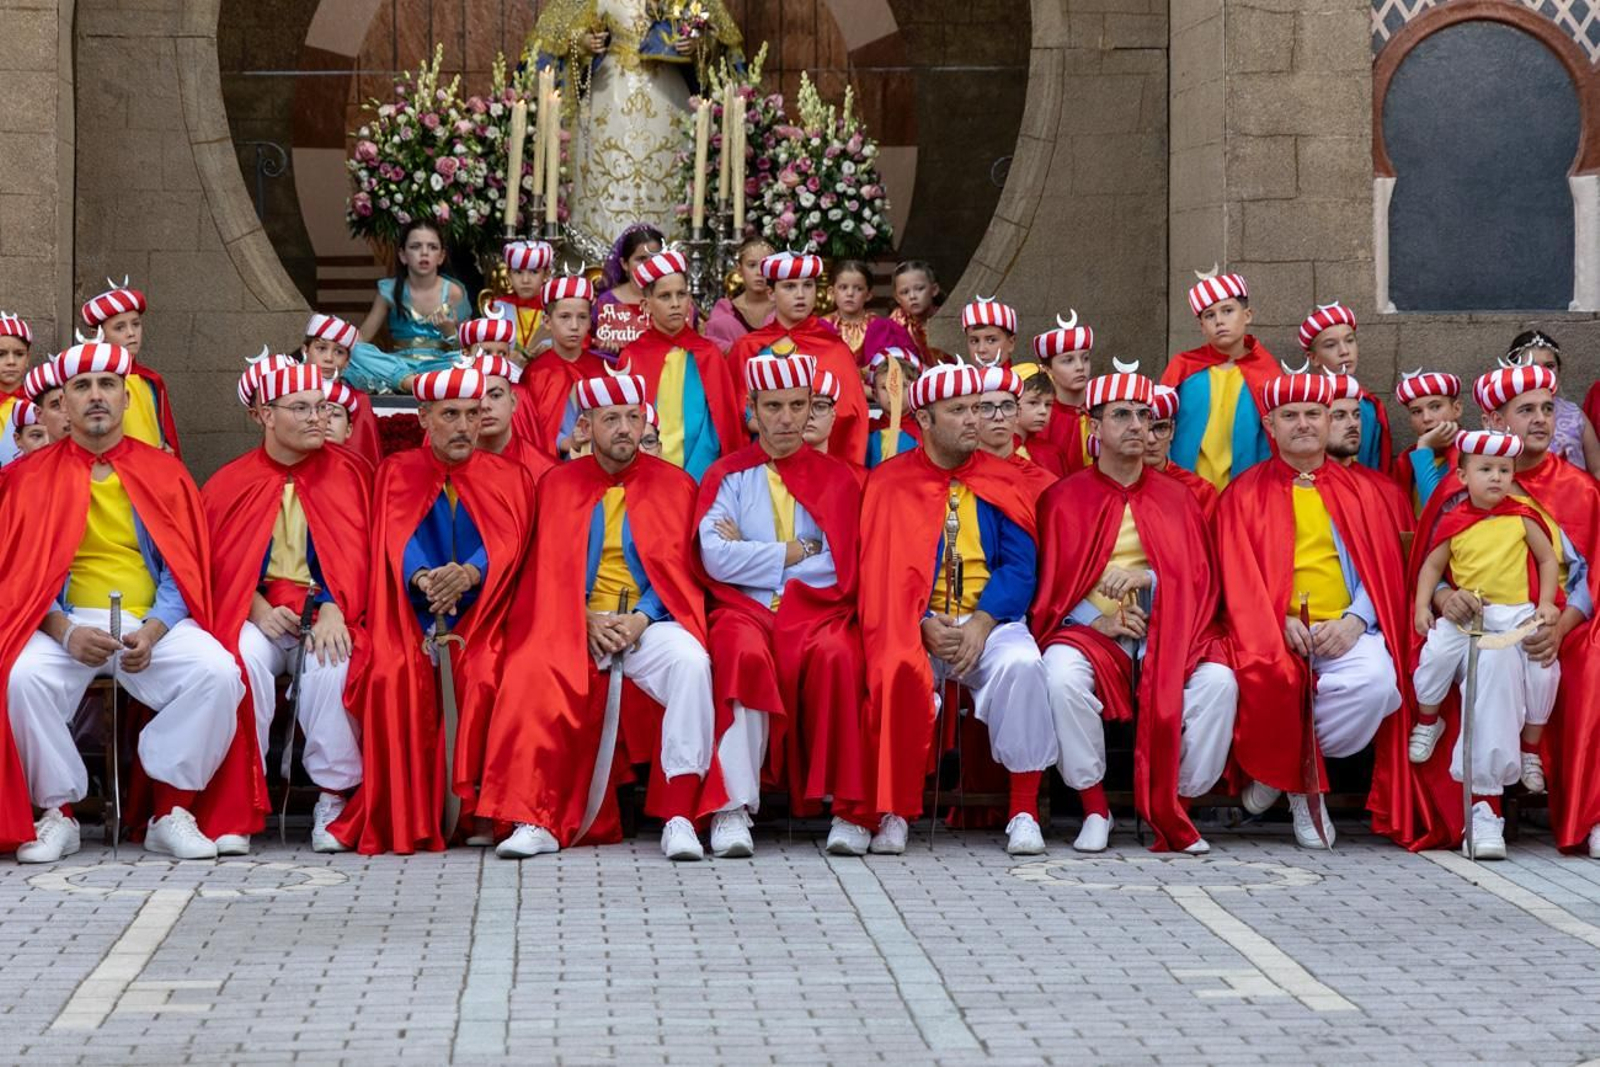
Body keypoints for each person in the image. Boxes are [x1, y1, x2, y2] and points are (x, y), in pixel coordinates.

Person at [0, 342, 247, 862]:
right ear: (61, 403)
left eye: (107, 384)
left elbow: (186, 572)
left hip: (149, 622)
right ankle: (59, 814)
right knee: (21, 678)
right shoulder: (26, 478)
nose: (96, 397)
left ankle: (169, 810)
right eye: (81, 386)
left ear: (127, 398)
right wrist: (65, 631)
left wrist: (155, 630)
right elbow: (16, 582)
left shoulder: (166, 472)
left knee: (220, 672)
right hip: (64, 626)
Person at [476, 373, 720, 862]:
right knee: (528, 671)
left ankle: (679, 816)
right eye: (612, 419)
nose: (625, 429)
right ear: (585, 426)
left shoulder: (675, 484)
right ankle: (535, 819)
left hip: (648, 624)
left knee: (692, 664)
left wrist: (643, 619)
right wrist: (582, 619)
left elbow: (679, 575)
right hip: (572, 622)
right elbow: (542, 571)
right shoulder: (556, 485)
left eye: (633, 417)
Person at [329, 366, 536, 854]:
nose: (466, 425)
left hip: (484, 614)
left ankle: (478, 810)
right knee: (390, 673)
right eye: (451, 415)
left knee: (485, 673)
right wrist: (424, 578)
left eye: (472, 413)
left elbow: (514, 542)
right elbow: (393, 540)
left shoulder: (511, 476)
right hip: (412, 614)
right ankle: (408, 815)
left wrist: (469, 574)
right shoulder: (396, 473)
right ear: (424, 417)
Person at [857, 364, 1059, 857]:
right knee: (894, 670)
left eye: (976, 408)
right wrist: (921, 621)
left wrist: (984, 623)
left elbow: (1019, 566)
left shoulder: (1006, 480)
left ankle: (1024, 810)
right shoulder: (888, 482)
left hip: (990, 622)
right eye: (959, 411)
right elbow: (880, 573)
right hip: (916, 624)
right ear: (924, 419)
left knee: (1025, 666)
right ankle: (894, 810)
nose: (975, 420)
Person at [1034, 368, 1236, 854]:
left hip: (1172, 630)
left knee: (1221, 684)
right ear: (1094, 427)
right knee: (1059, 676)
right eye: (1120, 414)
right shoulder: (1062, 499)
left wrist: (1152, 581)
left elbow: (1201, 581)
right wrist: (1096, 620)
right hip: (1090, 631)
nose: (1135, 425)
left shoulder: (1179, 498)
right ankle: (1094, 805)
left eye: (1144, 416)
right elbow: (1051, 589)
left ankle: (1177, 803)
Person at [1409, 364, 1600, 858]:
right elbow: (1433, 564)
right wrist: (1441, 598)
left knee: (1593, 667)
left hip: (1560, 623)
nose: (1541, 419)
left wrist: (1560, 624)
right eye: (1526, 410)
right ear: (1495, 420)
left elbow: (1588, 577)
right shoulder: (1463, 487)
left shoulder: (1580, 488)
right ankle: (1485, 806)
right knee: (1490, 659)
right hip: (1478, 622)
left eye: (1547, 409)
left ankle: (1593, 811)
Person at [1217, 373, 1407, 850]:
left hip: (1343, 629)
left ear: (1328, 420)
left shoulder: (1362, 492)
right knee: (1276, 680)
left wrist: (1355, 621)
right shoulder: (1242, 494)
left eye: (1313, 414)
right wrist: (1275, 623)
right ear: (1270, 425)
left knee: (1378, 686)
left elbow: (1380, 571)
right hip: (1272, 632)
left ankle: (1280, 773)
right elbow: (1235, 577)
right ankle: (1303, 791)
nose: (1303, 424)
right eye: (1290, 416)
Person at [694, 354, 869, 854]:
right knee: (740, 655)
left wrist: (762, 558)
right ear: (752, 409)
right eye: (774, 406)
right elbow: (715, 557)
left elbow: (842, 563)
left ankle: (847, 807)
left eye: (799, 405)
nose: (788, 418)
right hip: (743, 609)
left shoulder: (838, 480)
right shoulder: (728, 475)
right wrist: (796, 551)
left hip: (819, 609)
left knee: (838, 656)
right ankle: (732, 807)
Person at [201, 364, 371, 853]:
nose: (318, 417)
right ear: (263, 416)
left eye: (321, 407)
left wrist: (337, 607)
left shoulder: (353, 474)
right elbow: (214, 566)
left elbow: (368, 555)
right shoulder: (229, 483)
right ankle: (239, 802)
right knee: (239, 663)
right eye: (301, 408)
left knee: (330, 664)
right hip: (261, 612)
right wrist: (253, 607)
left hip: (327, 612)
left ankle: (333, 797)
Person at [1407, 430, 1560, 859]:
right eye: (1486, 470)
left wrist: (1546, 604)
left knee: (1544, 669)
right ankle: (1428, 719)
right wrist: (1426, 605)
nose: (1496, 478)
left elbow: (1548, 559)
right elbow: (1431, 564)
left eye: (1504, 471)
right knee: (1435, 656)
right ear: (1461, 475)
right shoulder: (1453, 519)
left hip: (1515, 614)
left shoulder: (1523, 516)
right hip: (1467, 615)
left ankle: (1528, 751)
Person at [531, 1, 741, 248]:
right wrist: (584, 42)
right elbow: (559, 35)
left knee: (672, 170)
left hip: (668, 94)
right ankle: (600, 249)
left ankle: (675, 249)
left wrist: (698, 44)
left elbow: (720, 40)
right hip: (611, 91)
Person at [728, 252, 868, 463]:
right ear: (771, 293)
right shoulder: (747, 348)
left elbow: (852, 419)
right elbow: (736, 414)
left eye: (808, 285)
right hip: (763, 466)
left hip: (822, 466)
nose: (801, 295)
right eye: (790, 286)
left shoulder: (835, 349)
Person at [616, 250, 743, 480]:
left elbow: (717, 427)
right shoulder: (633, 356)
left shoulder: (708, 354)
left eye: (681, 294)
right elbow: (627, 421)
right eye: (665, 296)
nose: (675, 304)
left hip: (700, 475)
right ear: (646, 305)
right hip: (645, 475)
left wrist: (694, 476)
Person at [1161, 270, 1280, 490]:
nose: (1219, 321)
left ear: (1247, 315)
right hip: (1187, 488)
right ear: (1201, 326)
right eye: (1209, 315)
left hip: (1249, 489)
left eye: (1227, 311)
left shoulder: (1268, 372)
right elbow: (1159, 426)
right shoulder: (1183, 368)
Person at [347, 220, 472, 395]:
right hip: (399, 364)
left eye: (432, 247)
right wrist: (337, 340)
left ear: (441, 256)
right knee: (354, 352)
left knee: (468, 363)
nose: (424, 253)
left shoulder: (453, 291)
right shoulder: (388, 290)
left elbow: (470, 347)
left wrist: (450, 333)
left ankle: (399, 383)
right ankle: (411, 383)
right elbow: (361, 339)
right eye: (415, 246)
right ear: (403, 255)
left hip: (440, 363)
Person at [80, 281, 182, 454]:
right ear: (97, 334)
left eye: (136, 324)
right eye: (119, 327)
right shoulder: (89, 382)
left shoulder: (151, 380)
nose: (131, 333)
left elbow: (163, 434)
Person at [515, 274, 609, 457]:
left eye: (582, 317)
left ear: (590, 321)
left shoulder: (600, 368)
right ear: (547, 321)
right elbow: (530, 430)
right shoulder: (536, 373)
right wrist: (565, 442)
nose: (574, 326)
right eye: (565, 317)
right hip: (552, 467)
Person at [1297, 302, 1392, 474]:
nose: (1344, 351)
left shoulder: (1370, 405)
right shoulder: (1302, 405)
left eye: (1349, 341)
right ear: (1313, 358)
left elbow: (1376, 462)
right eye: (1331, 345)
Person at [1325, 373, 1414, 534]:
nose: (1353, 423)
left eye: (1357, 415)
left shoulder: (1387, 491)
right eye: (1339, 416)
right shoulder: (1298, 486)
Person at [1504, 330, 1600, 472]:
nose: (1542, 372)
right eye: (1532, 366)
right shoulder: (1504, 414)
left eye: (1549, 366)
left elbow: (1597, 468)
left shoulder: (1574, 414)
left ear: (1559, 370)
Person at [300, 313, 381, 468]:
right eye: (321, 348)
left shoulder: (358, 400)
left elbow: (363, 457)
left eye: (339, 352)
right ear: (305, 351)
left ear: (347, 361)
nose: (329, 358)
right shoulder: (288, 394)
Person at [468, 351, 554, 483]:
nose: (485, 405)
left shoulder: (545, 471)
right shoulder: (449, 468)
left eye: (495, 395)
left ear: (513, 402)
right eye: (476, 397)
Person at [974, 366, 1056, 499]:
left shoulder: (1045, 484)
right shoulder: (954, 478)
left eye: (1007, 406)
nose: (999, 416)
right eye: (986, 408)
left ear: (1018, 413)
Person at [1029, 313, 1095, 473]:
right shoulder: (1042, 417)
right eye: (1068, 360)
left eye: (1085, 358)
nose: (1080, 367)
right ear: (1047, 369)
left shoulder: (1101, 408)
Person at [1143, 385, 1217, 520]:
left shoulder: (1200, 492)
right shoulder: (1116, 486)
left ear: (1172, 431)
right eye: (1144, 429)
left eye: (1161, 428)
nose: (1151, 439)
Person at [861, 261, 954, 368]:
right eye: (905, 292)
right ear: (897, 298)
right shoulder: (892, 327)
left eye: (919, 289)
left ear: (934, 290)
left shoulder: (949, 320)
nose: (912, 296)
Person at [1394, 372, 1463, 514]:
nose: (1426, 418)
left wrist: (1424, 448)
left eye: (1435, 407)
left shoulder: (1475, 455)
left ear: (1457, 409)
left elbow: (1436, 513)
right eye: (1416, 412)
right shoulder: (1405, 463)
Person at [592, 225, 665, 354]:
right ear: (624, 264)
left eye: (655, 258)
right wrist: (604, 349)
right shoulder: (606, 302)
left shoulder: (674, 300)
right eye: (641, 259)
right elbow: (588, 342)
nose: (649, 265)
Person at [702, 237, 775, 353]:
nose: (759, 273)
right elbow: (710, 348)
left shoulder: (783, 309)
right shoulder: (725, 313)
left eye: (764, 266)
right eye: (752, 265)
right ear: (740, 270)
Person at [486, 240, 554, 359]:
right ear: (509, 275)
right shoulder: (499, 308)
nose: (525, 280)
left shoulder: (555, 309)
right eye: (518, 272)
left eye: (534, 272)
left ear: (546, 275)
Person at [864, 347, 922, 470]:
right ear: (875, 394)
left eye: (903, 386)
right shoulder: (868, 432)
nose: (894, 394)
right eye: (885, 387)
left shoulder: (925, 431)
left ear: (915, 390)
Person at [821, 259, 877, 360]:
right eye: (843, 287)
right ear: (832, 292)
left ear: (868, 295)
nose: (850, 293)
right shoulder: (823, 325)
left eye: (858, 288)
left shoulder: (877, 326)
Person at [0, 312, 31, 466]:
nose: (11, 362)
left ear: (28, 359)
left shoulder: (37, 403)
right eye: (1, 354)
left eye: (19, 354)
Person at [961, 297, 1018, 368]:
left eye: (991, 340)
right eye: (974, 341)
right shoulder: (959, 379)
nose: (981, 349)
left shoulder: (1025, 378)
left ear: (1011, 343)